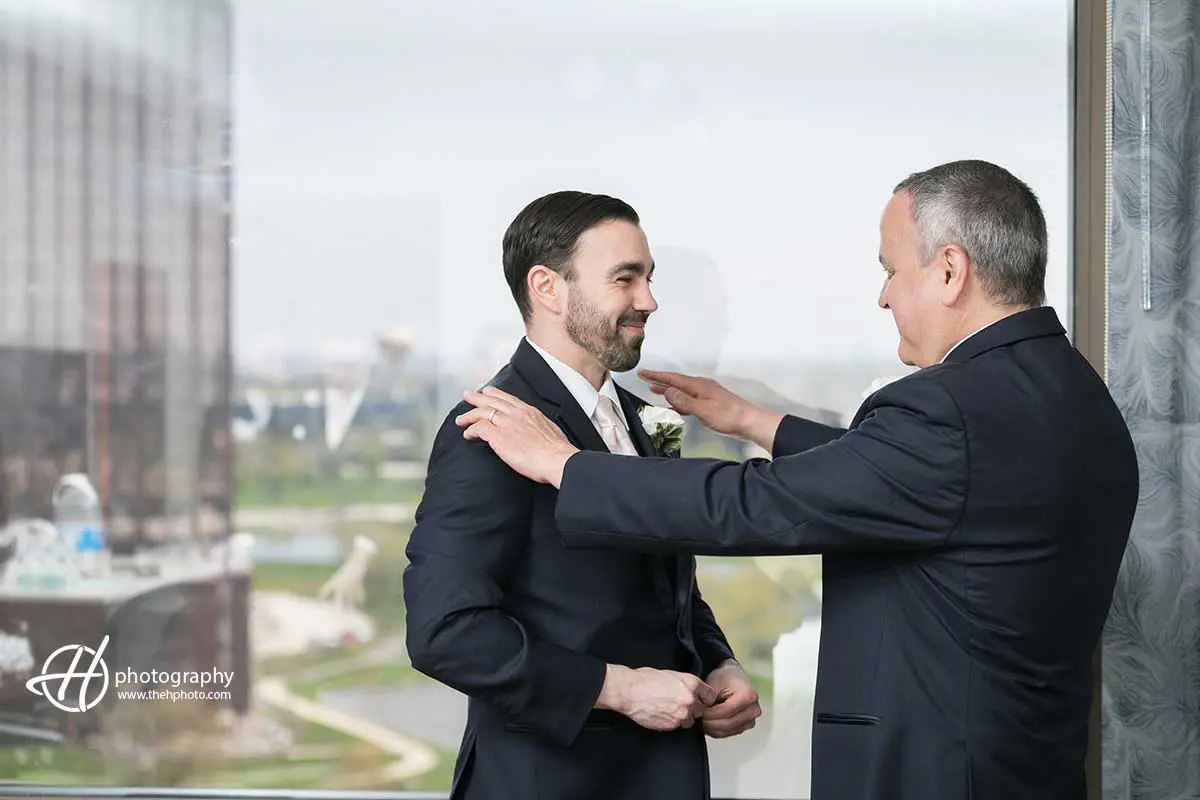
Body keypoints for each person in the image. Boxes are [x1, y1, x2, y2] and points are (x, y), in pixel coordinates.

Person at [455, 161, 1141, 799]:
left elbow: (759, 504)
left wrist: (563, 465)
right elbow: (917, 481)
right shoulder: (1072, 392)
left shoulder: (952, 408)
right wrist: (754, 420)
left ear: (950, 271)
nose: (882, 294)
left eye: (891, 269)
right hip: (1026, 763)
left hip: (936, 769)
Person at [404, 190, 760, 800]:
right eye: (626, 279)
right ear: (547, 287)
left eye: (648, 278)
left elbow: (667, 585)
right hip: (548, 780)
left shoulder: (648, 419)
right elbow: (445, 630)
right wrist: (619, 689)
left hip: (667, 774)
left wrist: (716, 660)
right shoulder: (488, 430)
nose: (648, 301)